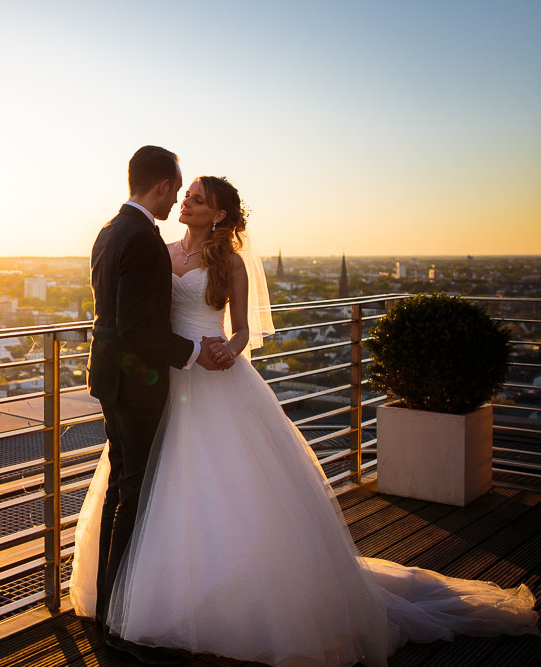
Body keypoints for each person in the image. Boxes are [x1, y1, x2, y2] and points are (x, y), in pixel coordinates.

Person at [72, 175, 540, 666]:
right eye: (186, 195)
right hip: (167, 381)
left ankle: (213, 604)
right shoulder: (159, 251)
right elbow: (145, 320)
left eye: (198, 199)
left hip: (214, 380)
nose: (185, 202)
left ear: (221, 216)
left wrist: (229, 351)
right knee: (148, 488)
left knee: (223, 493)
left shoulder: (230, 263)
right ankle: (140, 595)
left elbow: (243, 329)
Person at [87, 148, 234, 662]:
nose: (179, 199)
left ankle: (109, 609)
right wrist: (194, 351)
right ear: (161, 188)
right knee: (136, 497)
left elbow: (115, 318)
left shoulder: (109, 230)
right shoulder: (147, 241)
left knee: (121, 492)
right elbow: (139, 328)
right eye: (178, 190)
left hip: (111, 381)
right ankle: (120, 621)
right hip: (139, 386)